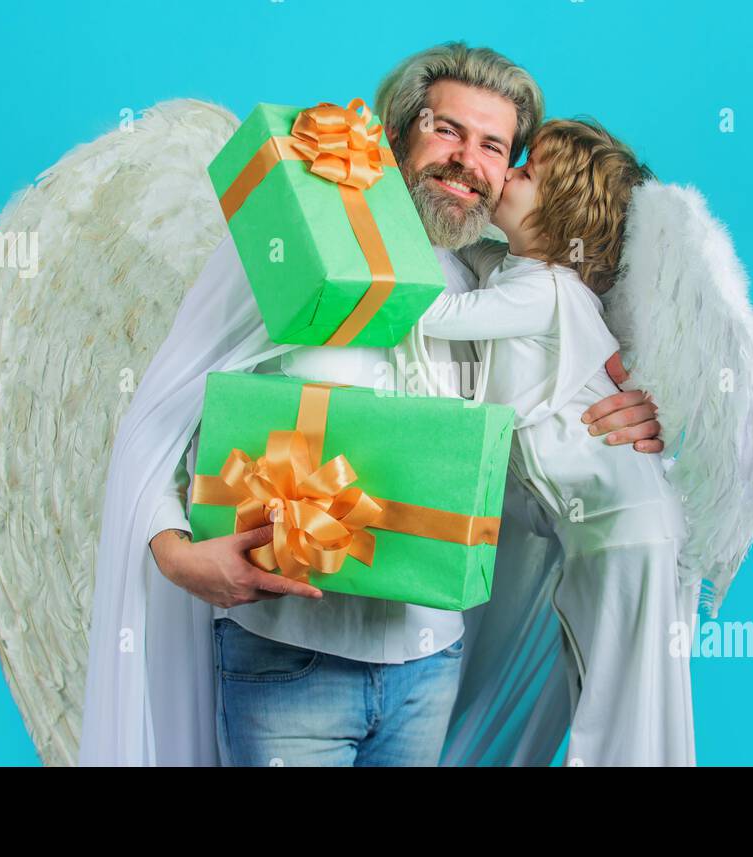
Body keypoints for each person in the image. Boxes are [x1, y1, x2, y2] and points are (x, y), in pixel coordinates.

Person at [79, 42, 665, 766]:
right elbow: (157, 419)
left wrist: (630, 410)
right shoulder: (294, 249)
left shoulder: (489, 289)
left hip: (431, 667)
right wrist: (176, 555)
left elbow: (540, 435)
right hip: (290, 660)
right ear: (396, 132)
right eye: (445, 129)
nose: (467, 161)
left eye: (494, 147)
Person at [418, 119, 701, 764]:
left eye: (525, 172)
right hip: (608, 526)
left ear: (560, 215)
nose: (505, 172)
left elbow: (437, 314)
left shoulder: (545, 289)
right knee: (613, 708)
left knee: (622, 724)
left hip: (621, 526)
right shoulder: (532, 278)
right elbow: (481, 259)